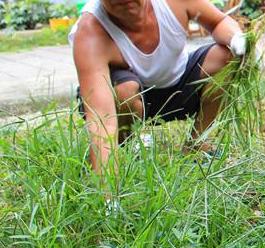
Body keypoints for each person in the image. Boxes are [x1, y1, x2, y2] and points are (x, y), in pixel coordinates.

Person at [69, 0, 247, 179]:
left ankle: (198, 143)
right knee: (124, 90)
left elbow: (218, 21)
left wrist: (235, 38)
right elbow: (102, 121)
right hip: (130, 97)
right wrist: (108, 199)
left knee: (227, 57)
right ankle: (128, 145)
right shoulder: (89, 32)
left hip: (179, 86)